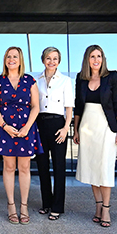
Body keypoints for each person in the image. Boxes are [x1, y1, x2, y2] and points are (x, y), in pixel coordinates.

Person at [73, 44, 117, 228]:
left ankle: (107, 209)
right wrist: (76, 129)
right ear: (87, 59)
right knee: (92, 167)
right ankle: (98, 206)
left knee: (105, 167)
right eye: (93, 56)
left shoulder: (112, 76)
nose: (96, 60)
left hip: (106, 127)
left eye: (99, 56)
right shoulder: (80, 78)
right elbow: (78, 106)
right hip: (87, 127)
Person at [0, 46, 41, 225]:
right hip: (6, 129)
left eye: (15, 56)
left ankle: (24, 206)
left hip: (25, 128)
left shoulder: (30, 80)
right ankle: (11, 205)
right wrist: (4, 126)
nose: (11, 59)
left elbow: (36, 106)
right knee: (9, 166)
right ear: (5, 60)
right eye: (8, 56)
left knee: (25, 167)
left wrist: (27, 127)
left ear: (20, 60)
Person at [34, 47, 74, 221]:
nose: (52, 61)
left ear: (59, 61)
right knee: (42, 166)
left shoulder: (65, 80)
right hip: (40, 124)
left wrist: (66, 128)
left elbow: (69, 108)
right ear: (43, 60)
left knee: (59, 167)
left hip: (58, 125)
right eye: (48, 58)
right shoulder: (36, 80)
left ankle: (57, 206)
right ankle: (46, 203)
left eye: (55, 58)